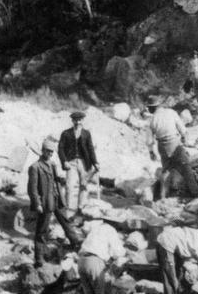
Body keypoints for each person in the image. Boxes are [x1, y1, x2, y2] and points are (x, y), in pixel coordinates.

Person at [28, 138, 82, 267]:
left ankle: (76, 243)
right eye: (48, 151)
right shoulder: (35, 167)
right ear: (42, 151)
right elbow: (32, 189)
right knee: (42, 231)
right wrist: (38, 204)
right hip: (46, 202)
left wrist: (60, 180)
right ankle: (39, 258)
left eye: (52, 152)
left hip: (57, 199)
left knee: (66, 222)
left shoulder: (52, 164)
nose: (50, 154)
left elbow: (54, 179)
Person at [146, 95, 198, 199]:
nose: (148, 109)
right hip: (174, 143)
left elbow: (149, 141)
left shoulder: (152, 120)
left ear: (152, 108)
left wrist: (151, 152)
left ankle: (163, 197)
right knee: (186, 168)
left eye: (149, 107)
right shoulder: (171, 113)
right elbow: (183, 130)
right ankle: (196, 193)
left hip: (162, 146)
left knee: (166, 171)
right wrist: (185, 139)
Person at [156, 225, 198, 294]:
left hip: (168, 239)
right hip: (167, 243)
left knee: (179, 273)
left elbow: (187, 254)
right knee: (170, 278)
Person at [58, 111, 99, 216]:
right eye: (75, 120)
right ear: (72, 121)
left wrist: (95, 162)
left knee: (84, 185)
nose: (77, 122)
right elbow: (60, 149)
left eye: (79, 120)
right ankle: (69, 210)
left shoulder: (86, 133)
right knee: (69, 186)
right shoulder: (66, 133)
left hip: (84, 162)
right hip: (71, 162)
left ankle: (80, 208)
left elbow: (90, 149)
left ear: (82, 120)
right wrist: (64, 161)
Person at [77, 222, 126, 294]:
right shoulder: (110, 229)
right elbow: (118, 251)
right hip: (93, 261)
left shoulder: (96, 228)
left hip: (82, 261)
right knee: (101, 291)